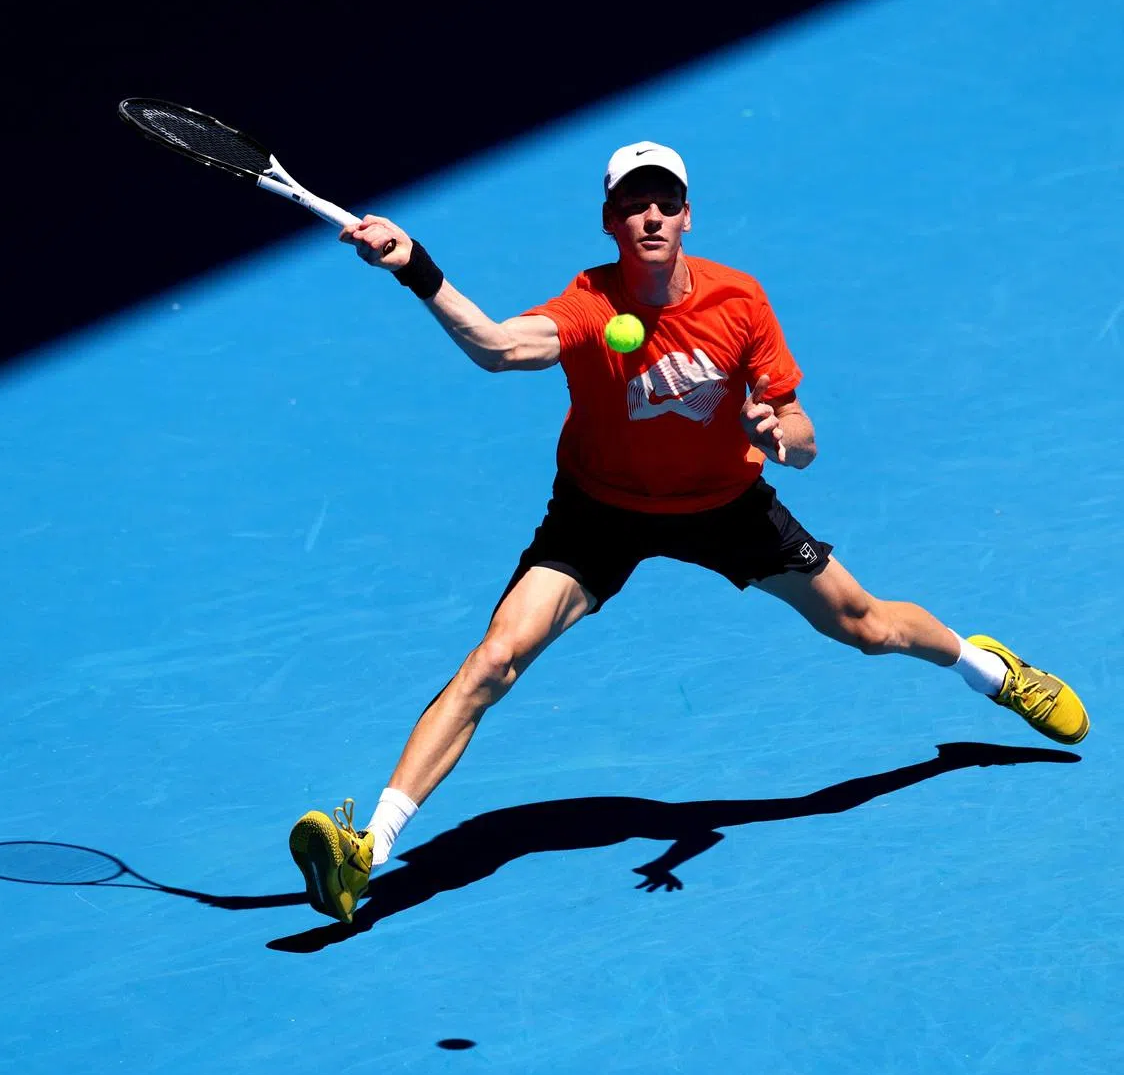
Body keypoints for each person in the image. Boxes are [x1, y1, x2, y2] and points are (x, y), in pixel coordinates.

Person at [288, 141, 1090, 925]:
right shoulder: (589, 306)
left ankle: (989, 668)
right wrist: (415, 267)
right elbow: (499, 348)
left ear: (687, 216)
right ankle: (370, 848)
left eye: (664, 201)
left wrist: (781, 431)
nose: (650, 216)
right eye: (632, 203)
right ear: (610, 221)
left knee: (869, 627)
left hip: (724, 505)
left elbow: (805, 438)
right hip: (601, 511)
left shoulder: (739, 301)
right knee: (494, 659)